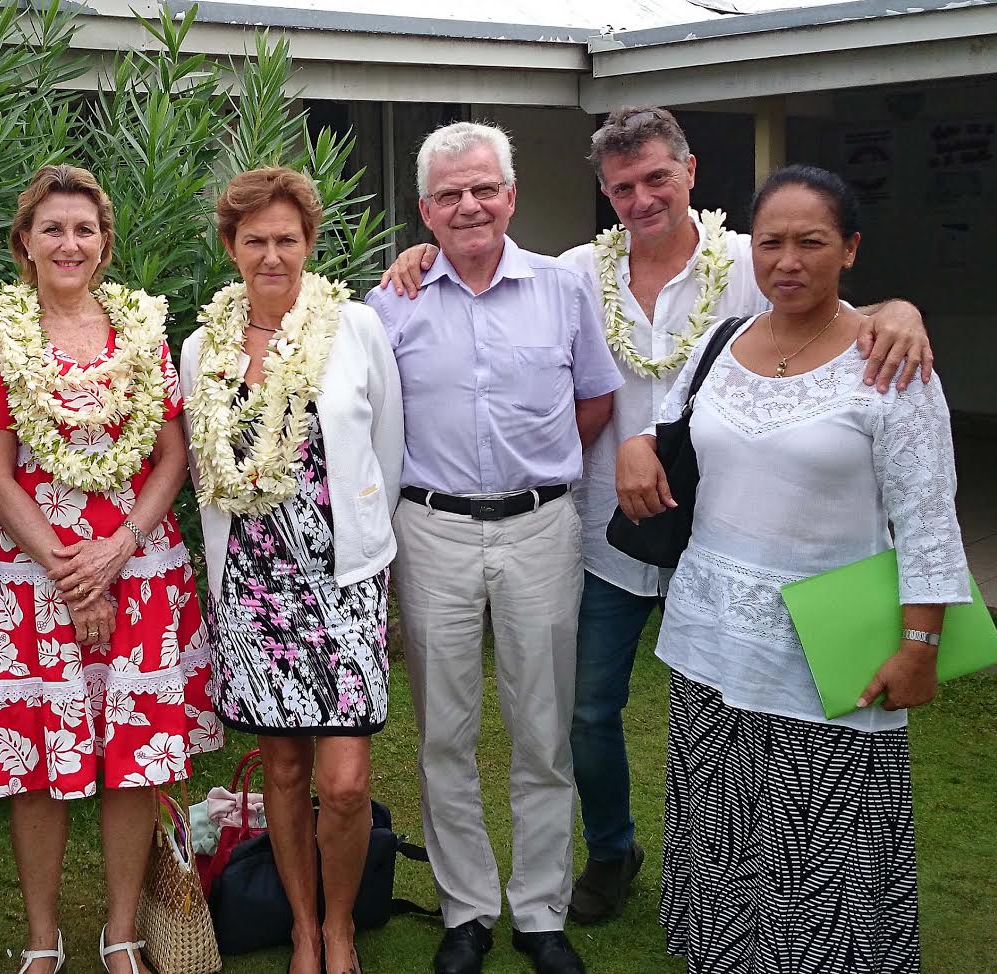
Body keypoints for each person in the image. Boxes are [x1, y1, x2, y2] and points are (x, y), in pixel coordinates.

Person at [379, 106, 932, 925]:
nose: (641, 199)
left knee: (757, 708)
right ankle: (610, 855)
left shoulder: (750, 257)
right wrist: (418, 257)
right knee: (586, 711)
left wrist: (901, 309)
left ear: (690, 173)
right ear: (604, 194)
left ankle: (781, 883)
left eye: (656, 179)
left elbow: (819, 270)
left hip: (730, 533)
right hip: (609, 531)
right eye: (623, 186)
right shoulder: (573, 270)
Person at [615, 164, 966, 974]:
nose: (789, 260)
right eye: (771, 242)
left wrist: (921, 644)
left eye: (812, 242)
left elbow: (927, 517)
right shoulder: (721, 342)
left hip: (829, 643)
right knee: (720, 822)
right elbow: (665, 419)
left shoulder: (891, 362)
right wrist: (636, 443)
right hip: (709, 635)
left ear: (849, 249)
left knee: (824, 843)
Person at [365, 122, 624, 974]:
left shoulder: (562, 289)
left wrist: (536, 474)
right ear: (426, 210)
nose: (469, 205)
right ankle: (467, 910)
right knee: (445, 730)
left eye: (484, 189)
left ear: (510, 196)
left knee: (541, 728)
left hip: (540, 527)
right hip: (430, 528)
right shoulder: (388, 303)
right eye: (450, 194)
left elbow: (592, 402)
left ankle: (540, 913)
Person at [0, 164, 221, 974]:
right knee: (36, 765)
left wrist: (117, 549)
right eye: (53, 229)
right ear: (25, 244)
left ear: (105, 244)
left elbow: (173, 454)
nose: (69, 243)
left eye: (84, 229)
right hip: (35, 576)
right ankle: (42, 940)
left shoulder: (143, 333)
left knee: (136, 757)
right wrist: (68, 569)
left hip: (141, 568)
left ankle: (122, 933)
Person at [182, 167, 405, 974]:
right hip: (253, 581)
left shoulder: (355, 328)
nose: (271, 255)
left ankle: (341, 924)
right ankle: (304, 929)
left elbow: (388, 446)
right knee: (282, 765)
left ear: (310, 244)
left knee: (343, 782)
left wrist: (368, 547)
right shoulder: (201, 345)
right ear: (230, 248)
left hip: (343, 580)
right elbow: (205, 468)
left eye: (287, 239)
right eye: (254, 241)